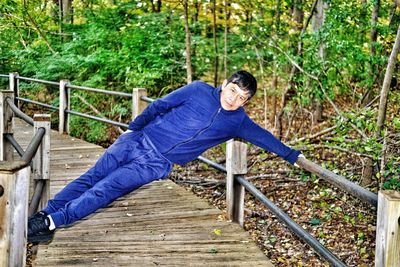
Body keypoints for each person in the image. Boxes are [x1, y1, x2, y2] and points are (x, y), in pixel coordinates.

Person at [28, 70, 302, 243]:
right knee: (92, 177)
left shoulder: (238, 122)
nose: (233, 99)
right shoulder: (198, 90)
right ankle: (46, 215)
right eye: (232, 90)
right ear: (224, 83)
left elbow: (265, 138)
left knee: (107, 189)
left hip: (155, 163)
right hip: (137, 139)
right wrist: (133, 128)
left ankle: (53, 221)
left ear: (245, 102)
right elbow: (160, 105)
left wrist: (292, 156)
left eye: (241, 97)